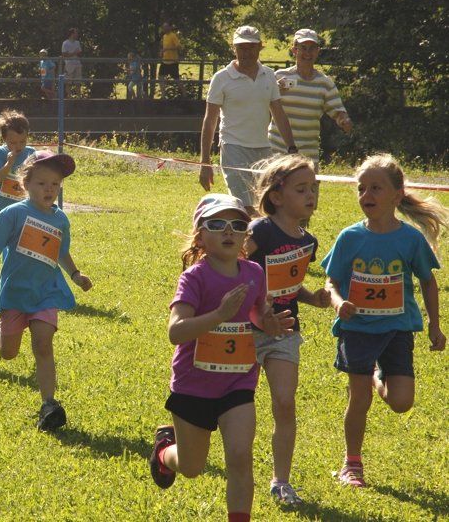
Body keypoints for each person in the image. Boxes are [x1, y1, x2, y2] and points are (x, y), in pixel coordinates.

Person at [149, 194, 293, 522]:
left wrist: (269, 323)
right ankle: (164, 451)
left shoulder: (254, 272)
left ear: (246, 236)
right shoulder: (194, 278)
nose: (229, 231)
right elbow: (176, 332)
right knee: (191, 467)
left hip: (238, 381)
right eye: (217, 224)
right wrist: (218, 315)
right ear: (200, 235)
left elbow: (257, 312)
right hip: (193, 384)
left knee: (240, 458)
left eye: (237, 225)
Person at [321, 153, 447, 489]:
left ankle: (379, 375)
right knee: (358, 398)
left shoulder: (410, 239)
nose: (367, 195)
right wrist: (338, 302)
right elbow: (331, 281)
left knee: (401, 402)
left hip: (397, 329)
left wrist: (435, 325)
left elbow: (427, 281)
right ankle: (352, 464)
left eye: (376, 188)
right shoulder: (350, 237)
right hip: (357, 330)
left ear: (397, 194)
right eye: (361, 188)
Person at [0, 150, 92, 431]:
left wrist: (76, 274)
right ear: (26, 183)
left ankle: (49, 404)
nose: (49, 189)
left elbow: (61, 252)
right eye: (42, 183)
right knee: (8, 353)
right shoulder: (12, 214)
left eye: (55, 184)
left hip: (46, 291)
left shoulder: (60, 219)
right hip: (15, 292)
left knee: (43, 344)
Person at [245, 154, 331, 506]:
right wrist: (256, 313)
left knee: (284, 402)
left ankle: (281, 481)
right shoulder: (259, 231)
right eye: (301, 189)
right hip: (244, 330)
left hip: (284, 331)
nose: (310, 195)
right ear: (277, 196)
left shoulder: (307, 241)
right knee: (229, 403)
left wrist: (314, 299)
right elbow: (233, 269)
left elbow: (289, 286)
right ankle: (188, 438)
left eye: (313, 188)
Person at [199, 26, 298, 216]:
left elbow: (278, 113)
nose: (246, 52)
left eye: (251, 47)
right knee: (244, 206)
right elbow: (210, 120)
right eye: (241, 47)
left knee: (265, 204)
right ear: (234, 48)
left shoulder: (268, 75)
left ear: (260, 47)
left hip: (263, 150)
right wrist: (205, 162)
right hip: (233, 148)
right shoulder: (221, 78)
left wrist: (291, 148)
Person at [268, 29, 352, 168]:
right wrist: (275, 88)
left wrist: (344, 120)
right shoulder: (279, 76)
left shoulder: (325, 83)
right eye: (303, 48)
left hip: (308, 155)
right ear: (294, 50)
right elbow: (263, 102)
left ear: (318, 51)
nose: (308, 53)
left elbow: (337, 112)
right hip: (277, 152)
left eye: (312, 48)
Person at [0, 109, 36, 214]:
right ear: (4, 138)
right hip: (4, 206)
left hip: (25, 206)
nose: (18, 146)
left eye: (22, 141)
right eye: (13, 143)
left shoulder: (32, 153)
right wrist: (9, 163)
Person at [158, 22, 184, 98]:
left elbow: (178, 47)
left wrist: (167, 49)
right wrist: (162, 52)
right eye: (163, 27)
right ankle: (163, 96)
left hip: (173, 61)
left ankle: (184, 94)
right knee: (160, 77)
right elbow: (164, 48)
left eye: (166, 27)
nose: (164, 28)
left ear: (170, 27)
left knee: (176, 79)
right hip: (165, 61)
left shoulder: (173, 36)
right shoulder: (164, 36)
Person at [61, 28, 83, 97]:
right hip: (69, 64)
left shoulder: (77, 43)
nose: (77, 34)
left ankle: (79, 96)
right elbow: (64, 54)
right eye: (76, 33)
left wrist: (72, 53)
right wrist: (74, 53)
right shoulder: (65, 43)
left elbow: (80, 52)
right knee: (68, 82)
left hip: (77, 63)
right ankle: (69, 96)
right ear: (72, 34)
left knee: (78, 81)